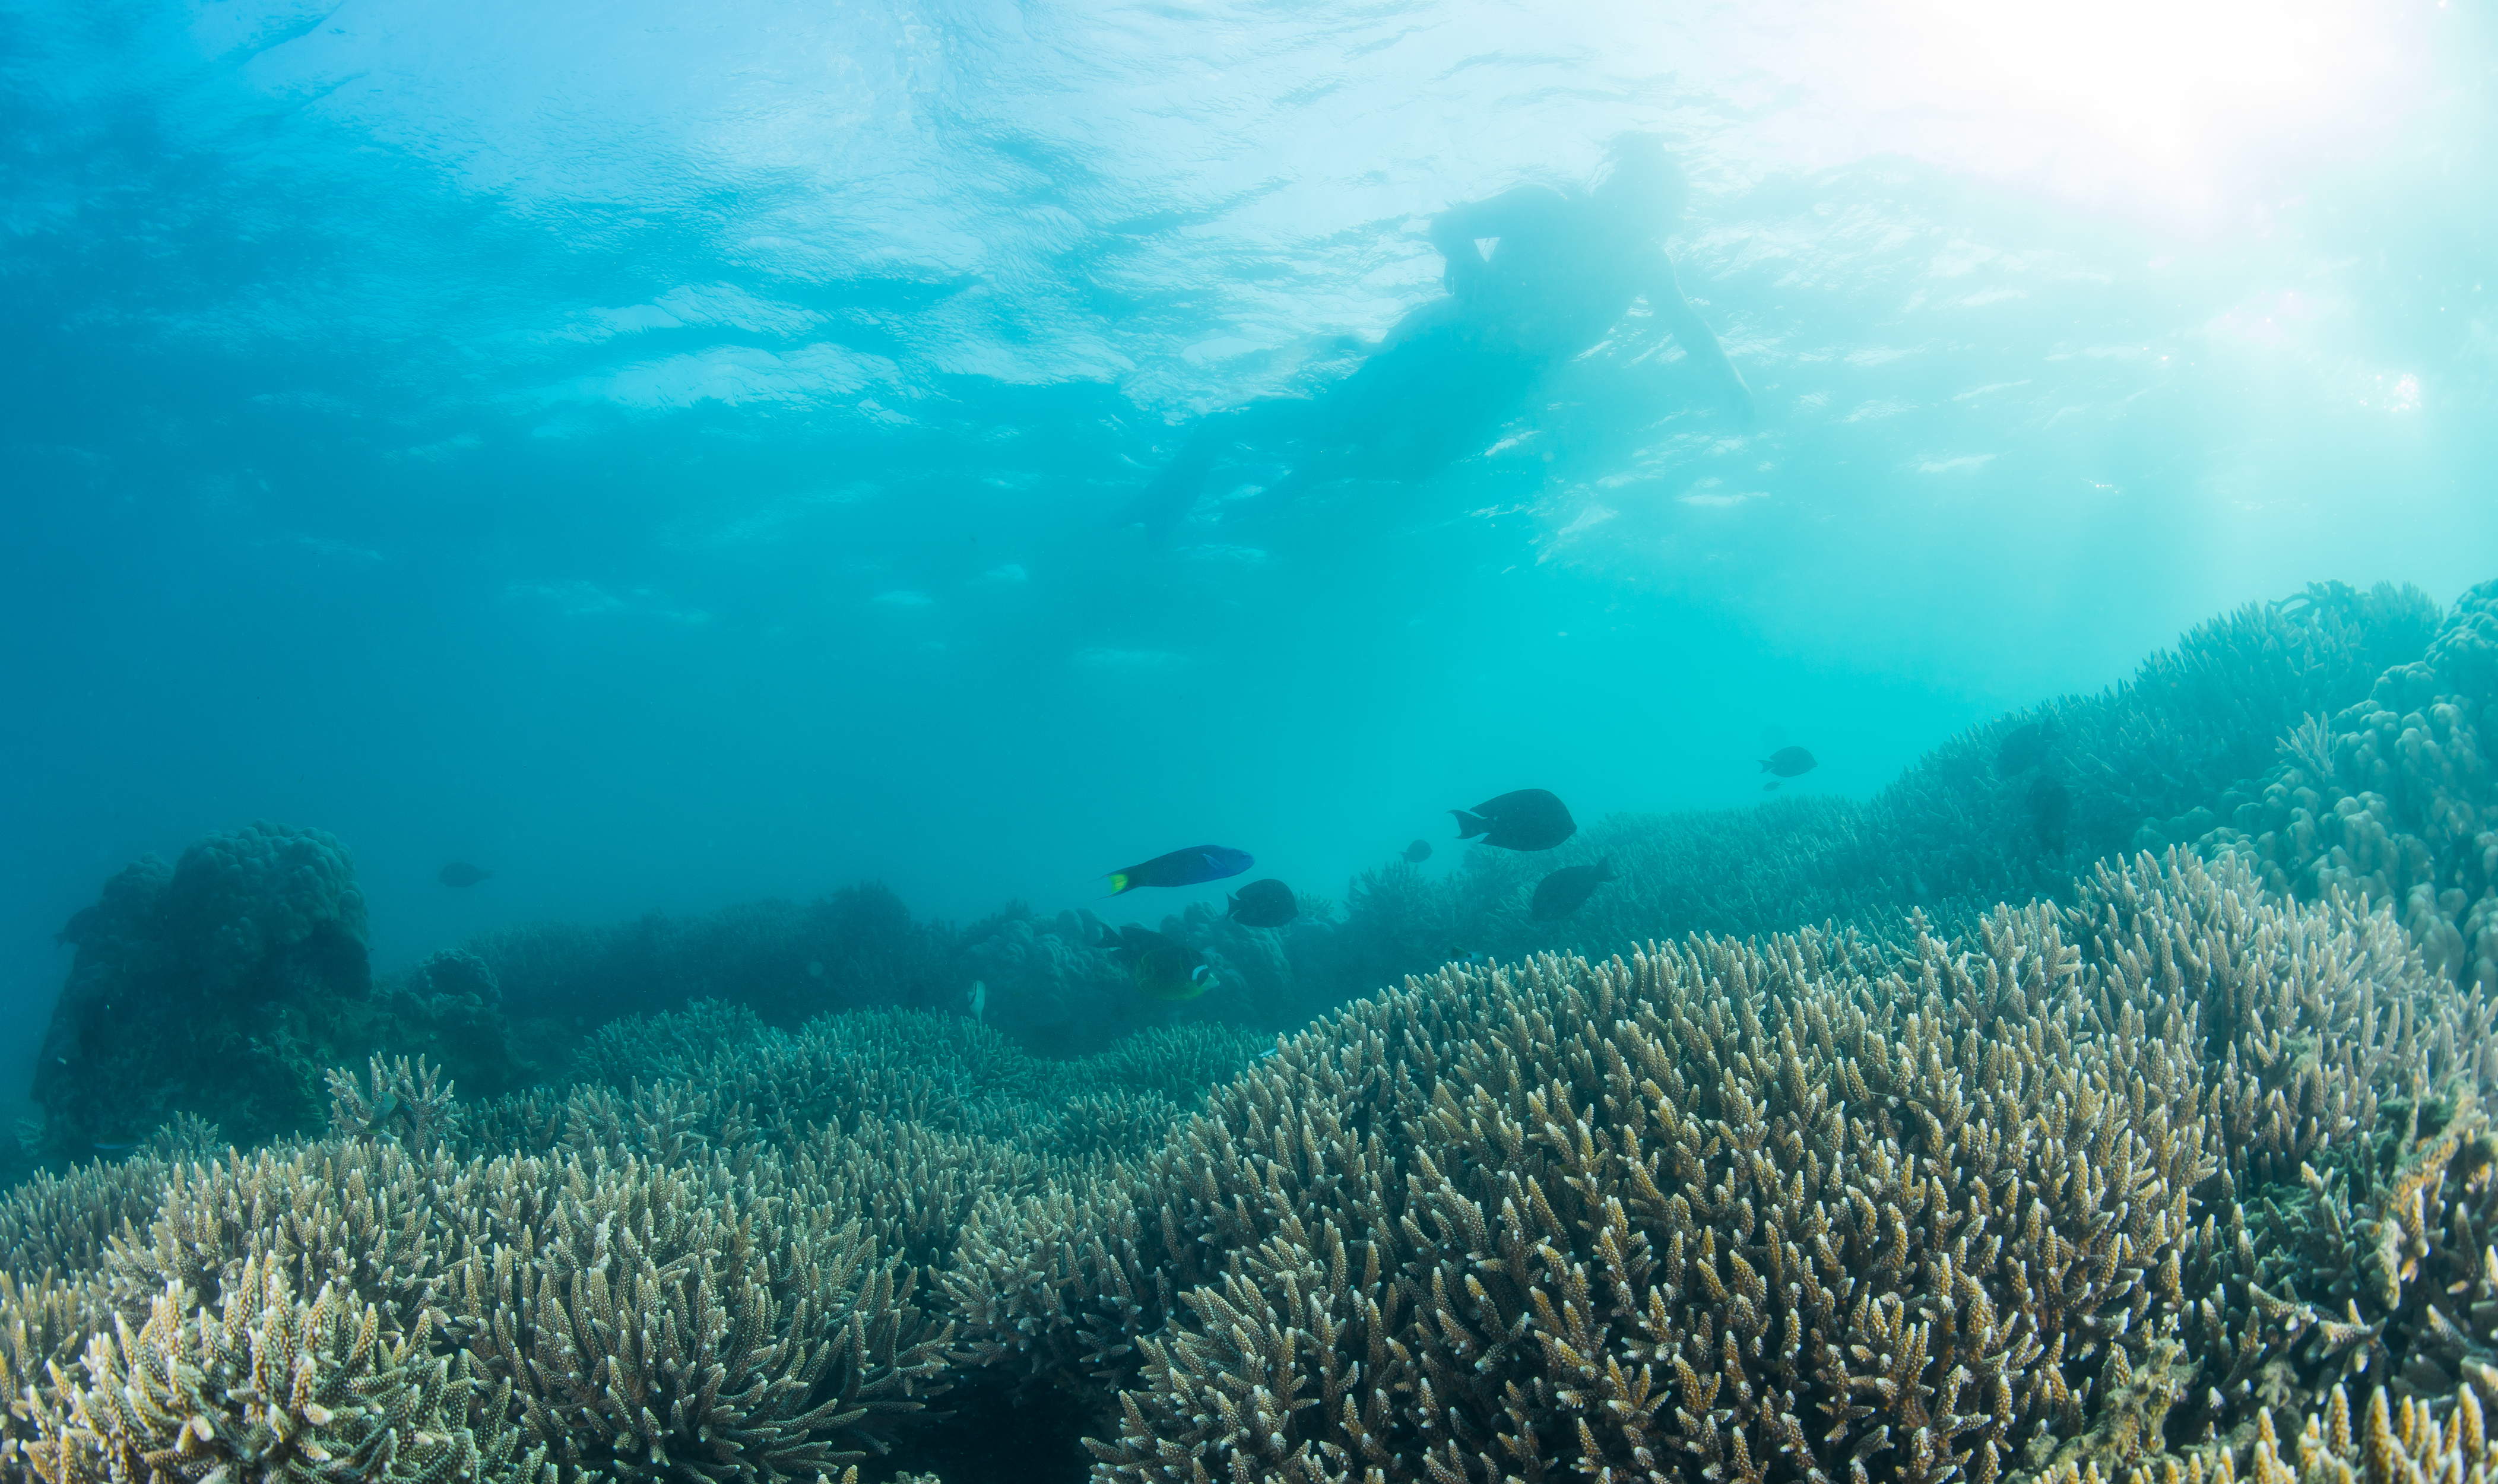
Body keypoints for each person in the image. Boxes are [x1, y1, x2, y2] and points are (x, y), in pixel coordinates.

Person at [1123, 136, 1753, 543]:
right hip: (1441, 344)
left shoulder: (1645, 262)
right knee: (1331, 421)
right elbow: (1449, 221)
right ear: (1618, 189)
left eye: (1657, 212)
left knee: (1418, 468)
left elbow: (1688, 326)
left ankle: (1303, 480)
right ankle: (1212, 440)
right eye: (1640, 201)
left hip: (1508, 381)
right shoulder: (1545, 207)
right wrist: (1466, 259)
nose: (1642, 218)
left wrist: (1732, 384)